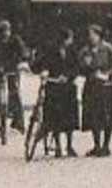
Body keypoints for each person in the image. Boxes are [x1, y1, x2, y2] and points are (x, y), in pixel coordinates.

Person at [33, 27, 82, 157]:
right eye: (69, 39)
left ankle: (69, 145)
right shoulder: (51, 51)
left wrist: (68, 76)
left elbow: (77, 67)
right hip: (54, 87)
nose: (70, 42)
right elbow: (39, 64)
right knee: (55, 118)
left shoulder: (72, 51)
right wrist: (43, 71)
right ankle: (58, 146)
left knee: (70, 118)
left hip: (68, 88)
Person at [80, 23, 112, 156]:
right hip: (91, 85)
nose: (90, 38)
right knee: (93, 115)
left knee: (107, 115)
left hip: (105, 86)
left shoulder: (108, 48)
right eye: (89, 35)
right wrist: (86, 65)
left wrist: (107, 74)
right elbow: (80, 68)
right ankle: (96, 145)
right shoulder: (85, 51)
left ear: (98, 35)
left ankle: (106, 145)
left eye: (92, 35)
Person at [0, 19, 27, 132]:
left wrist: (16, 63)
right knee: (1, 96)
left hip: (12, 71)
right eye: (2, 32)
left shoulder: (15, 40)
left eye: (6, 31)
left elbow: (23, 53)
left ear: (9, 31)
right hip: (1, 73)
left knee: (15, 93)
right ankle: (3, 121)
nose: (5, 34)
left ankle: (19, 121)